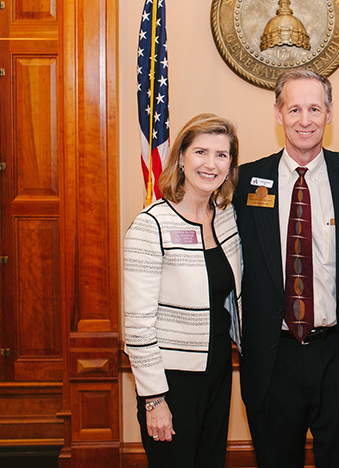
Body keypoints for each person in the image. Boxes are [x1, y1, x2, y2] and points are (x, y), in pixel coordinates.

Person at [234, 69, 339, 468]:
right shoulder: (245, 183)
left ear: (330, 113)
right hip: (273, 358)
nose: (305, 120)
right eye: (294, 108)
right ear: (278, 114)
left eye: (314, 108)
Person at [123, 113, 242, 468]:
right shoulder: (151, 225)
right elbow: (138, 323)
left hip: (219, 364)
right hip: (172, 378)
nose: (211, 164)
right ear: (180, 158)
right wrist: (154, 399)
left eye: (222, 155)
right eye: (201, 152)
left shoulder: (225, 216)